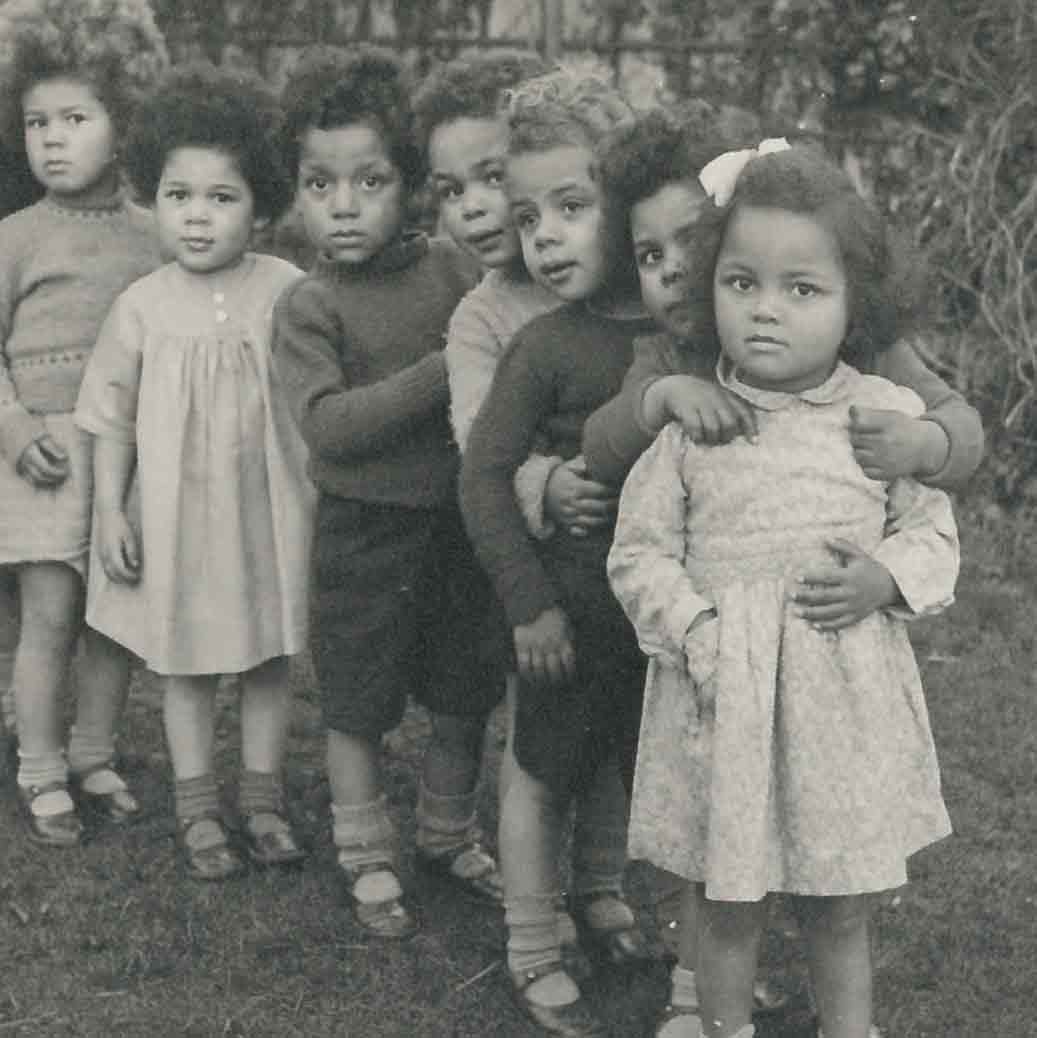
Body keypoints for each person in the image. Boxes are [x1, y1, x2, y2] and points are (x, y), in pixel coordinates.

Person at [588, 109, 986, 1037]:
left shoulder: (880, 415)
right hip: (723, 697)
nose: (765, 308)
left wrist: (885, 581)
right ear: (708, 290)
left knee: (838, 904)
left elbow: (933, 530)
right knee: (728, 903)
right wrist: (694, 632)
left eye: (801, 289)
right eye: (742, 282)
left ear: (857, 307)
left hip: (839, 704)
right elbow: (638, 551)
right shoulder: (695, 419)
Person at [414, 50, 650, 980]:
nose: (537, 234)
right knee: (543, 750)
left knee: (614, 749)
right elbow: (481, 446)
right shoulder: (499, 321)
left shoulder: (651, 309)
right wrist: (545, 483)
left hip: (634, 582)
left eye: (568, 208)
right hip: (532, 563)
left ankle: (599, 888)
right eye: (525, 215)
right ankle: (533, 924)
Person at [273, 45, 503, 940]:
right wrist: (444, 369)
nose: (341, 206)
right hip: (363, 535)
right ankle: (366, 853)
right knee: (357, 701)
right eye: (317, 183)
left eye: (367, 181)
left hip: (456, 526)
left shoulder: (455, 271)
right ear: (293, 193)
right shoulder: (308, 305)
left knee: (462, 692)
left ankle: (448, 834)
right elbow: (328, 427)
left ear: (410, 187)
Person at [75, 63, 312, 880]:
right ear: (153, 198)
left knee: (266, 652)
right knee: (185, 658)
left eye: (222, 197)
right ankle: (197, 804)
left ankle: (261, 798)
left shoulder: (287, 290)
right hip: (174, 510)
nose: (199, 218)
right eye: (180, 196)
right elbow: (107, 418)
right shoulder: (142, 304)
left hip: (266, 504)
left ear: (263, 204)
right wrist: (110, 511)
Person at [0, 0, 167, 844]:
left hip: (127, 459)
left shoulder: (157, 237)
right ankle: (38, 765)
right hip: (43, 457)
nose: (52, 139)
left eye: (75, 118)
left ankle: (95, 751)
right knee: (51, 615)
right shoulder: (15, 238)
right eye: (36, 121)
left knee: (117, 613)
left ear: (124, 120)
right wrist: (14, 426)